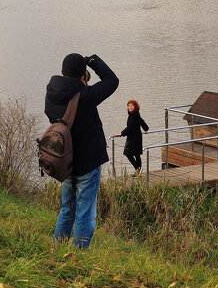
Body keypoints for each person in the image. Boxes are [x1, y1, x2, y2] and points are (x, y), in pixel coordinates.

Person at [44, 52, 118, 248]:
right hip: (87, 164)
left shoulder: (51, 93)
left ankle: (58, 248)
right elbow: (112, 80)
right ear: (82, 74)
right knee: (85, 214)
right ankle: (77, 258)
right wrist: (92, 60)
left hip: (64, 162)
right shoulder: (85, 96)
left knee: (67, 209)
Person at [119, 99, 149, 175]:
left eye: (131, 106)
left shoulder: (133, 115)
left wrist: (122, 133)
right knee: (136, 154)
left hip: (133, 137)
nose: (130, 107)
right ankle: (138, 171)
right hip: (137, 136)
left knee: (127, 153)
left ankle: (137, 168)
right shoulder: (136, 114)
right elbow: (141, 121)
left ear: (135, 106)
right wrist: (146, 128)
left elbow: (130, 127)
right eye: (128, 106)